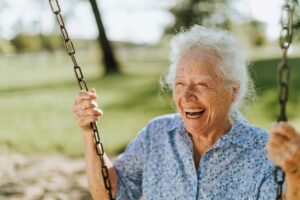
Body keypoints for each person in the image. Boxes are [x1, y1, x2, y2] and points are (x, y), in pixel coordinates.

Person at [72, 25, 300, 200]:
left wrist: (295, 172)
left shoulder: (261, 150)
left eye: (201, 84)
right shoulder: (156, 134)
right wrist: (89, 134)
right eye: (180, 83)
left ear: (233, 90)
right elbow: (109, 192)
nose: (187, 96)